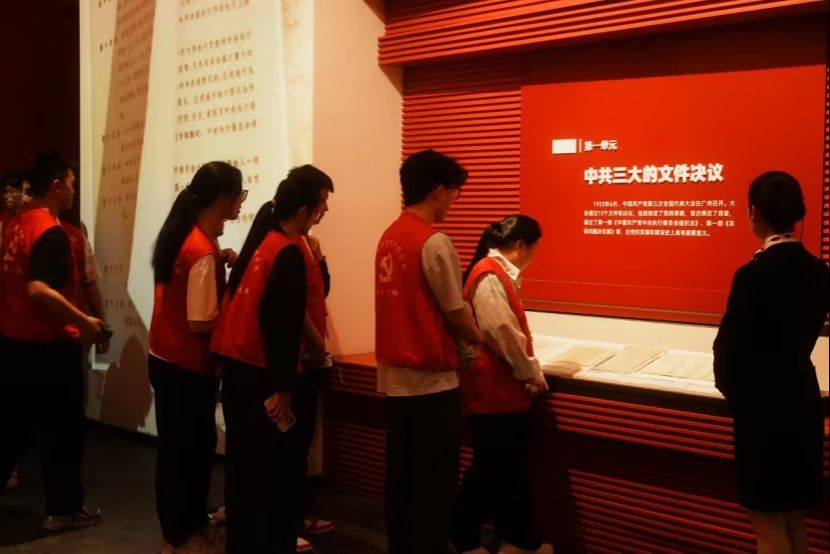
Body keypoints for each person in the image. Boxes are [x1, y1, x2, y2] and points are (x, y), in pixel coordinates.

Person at [211, 165, 333, 554]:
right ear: (304, 210)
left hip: (239, 372)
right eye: (320, 206)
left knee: (245, 470)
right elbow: (281, 324)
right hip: (262, 375)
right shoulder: (287, 251)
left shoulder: (262, 244)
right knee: (269, 475)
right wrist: (282, 387)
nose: (322, 213)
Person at [713, 171, 829, 554]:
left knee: (766, 525)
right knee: (795, 518)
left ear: (754, 213)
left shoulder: (752, 274)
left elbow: (727, 350)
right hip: (802, 400)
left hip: (762, 411)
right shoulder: (820, 271)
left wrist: (734, 396)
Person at [375, 149, 482, 554]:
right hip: (432, 380)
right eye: (455, 191)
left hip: (397, 380)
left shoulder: (389, 235)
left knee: (402, 479)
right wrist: (478, 337)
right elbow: (455, 312)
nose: (454, 200)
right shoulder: (433, 241)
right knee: (434, 484)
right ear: (438, 190)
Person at [0, 152, 105, 531]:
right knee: (63, 435)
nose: (74, 191)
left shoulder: (16, 224)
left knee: (12, 431)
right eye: (72, 184)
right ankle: (63, 509)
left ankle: (64, 508)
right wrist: (85, 321)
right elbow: (38, 289)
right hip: (49, 348)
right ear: (57, 186)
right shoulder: (51, 233)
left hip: (14, 343)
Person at [148, 161, 245, 553]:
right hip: (187, 367)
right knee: (190, 454)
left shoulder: (182, 236)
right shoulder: (201, 249)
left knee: (175, 453)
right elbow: (201, 321)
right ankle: (187, 535)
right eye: (239, 195)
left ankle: (177, 532)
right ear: (222, 198)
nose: (241, 203)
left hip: (165, 359)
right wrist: (237, 312)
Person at [452, 215, 552, 554]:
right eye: (535, 248)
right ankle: (462, 534)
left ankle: (515, 538)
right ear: (520, 245)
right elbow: (501, 332)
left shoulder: (493, 272)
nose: (536, 255)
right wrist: (530, 373)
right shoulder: (490, 275)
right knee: (492, 470)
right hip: (494, 390)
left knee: (506, 470)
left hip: (498, 390)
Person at [0, 171, 28, 493]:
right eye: (5, 190)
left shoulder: (31, 227)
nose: (9, 195)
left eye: (15, 190)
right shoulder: (3, 226)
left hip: (22, 324)